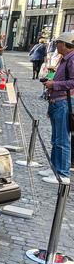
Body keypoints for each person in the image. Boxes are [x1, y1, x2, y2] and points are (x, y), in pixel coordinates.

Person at [42, 32, 74, 184]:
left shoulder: (72, 59)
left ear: (65, 44)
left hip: (63, 102)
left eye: (58, 43)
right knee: (56, 138)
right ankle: (55, 168)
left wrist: (54, 84)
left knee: (62, 139)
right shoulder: (65, 59)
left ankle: (63, 173)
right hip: (57, 101)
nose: (56, 46)